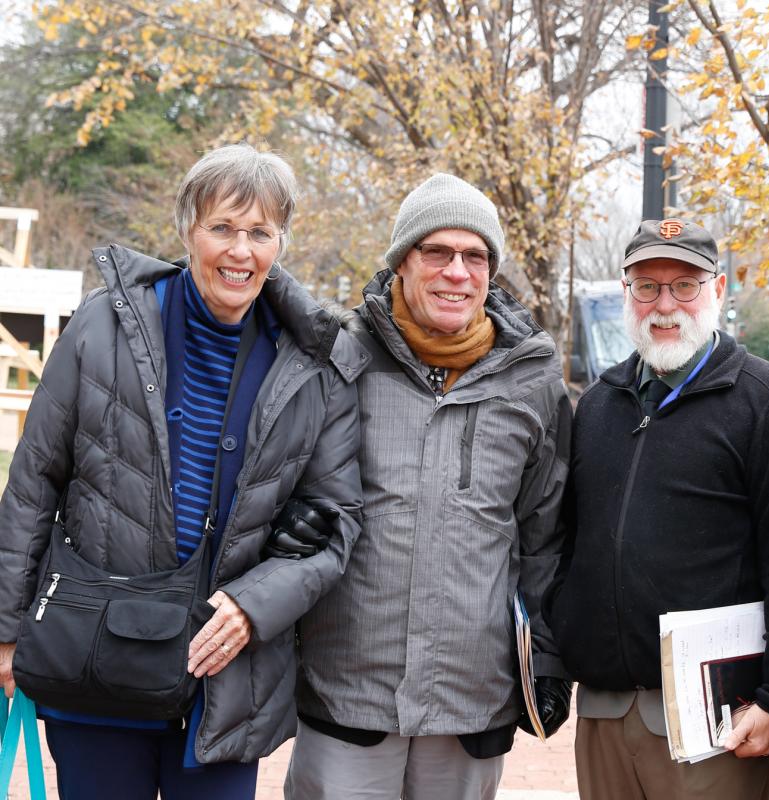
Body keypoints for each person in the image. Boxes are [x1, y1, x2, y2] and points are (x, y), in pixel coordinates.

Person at [0, 143, 367, 800]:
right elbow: (32, 486)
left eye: (259, 232)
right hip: (97, 663)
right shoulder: (101, 325)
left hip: (225, 683)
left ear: (280, 240)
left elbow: (338, 523)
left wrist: (255, 608)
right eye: (222, 227)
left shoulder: (316, 361)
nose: (240, 251)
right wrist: (4, 631)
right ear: (188, 229)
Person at [285, 173, 573, 800]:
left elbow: (546, 540)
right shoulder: (340, 359)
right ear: (403, 263)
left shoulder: (532, 381)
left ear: (491, 272)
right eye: (436, 252)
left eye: (474, 257)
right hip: (347, 691)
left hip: (471, 699)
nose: (457, 272)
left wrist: (545, 660)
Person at [545, 218, 769, 800]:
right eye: (647, 286)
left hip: (716, 721)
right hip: (606, 712)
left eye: (685, 285)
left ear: (718, 290)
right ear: (626, 293)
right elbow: (568, 543)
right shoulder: (599, 405)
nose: (665, 305)